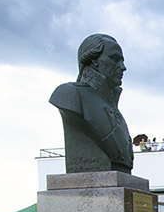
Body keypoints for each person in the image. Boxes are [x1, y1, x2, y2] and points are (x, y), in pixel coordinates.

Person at [49, 34, 133, 174]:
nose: (123, 67)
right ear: (94, 60)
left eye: (122, 61)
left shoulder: (116, 110)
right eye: (115, 59)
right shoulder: (69, 95)